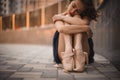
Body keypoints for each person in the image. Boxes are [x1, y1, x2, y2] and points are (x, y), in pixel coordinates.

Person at [53, 0, 97, 72]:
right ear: (70, 1)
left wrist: (64, 18)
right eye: (73, 6)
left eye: (78, 11)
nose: (73, 11)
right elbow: (62, 29)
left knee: (77, 17)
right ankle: (68, 50)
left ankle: (78, 49)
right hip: (63, 52)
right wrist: (86, 28)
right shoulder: (58, 17)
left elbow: (83, 22)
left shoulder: (84, 17)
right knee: (71, 19)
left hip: (84, 51)